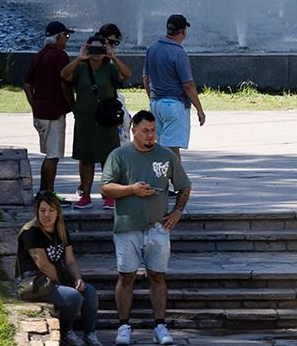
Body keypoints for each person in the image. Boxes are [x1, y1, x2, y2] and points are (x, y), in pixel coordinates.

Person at [100, 110, 191, 346]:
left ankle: (160, 325)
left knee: (157, 276)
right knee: (126, 276)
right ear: (134, 131)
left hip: (158, 227)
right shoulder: (119, 155)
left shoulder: (166, 155)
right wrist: (131, 190)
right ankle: (123, 325)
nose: (150, 136)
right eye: (145, 131)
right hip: (127, 227)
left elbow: (184, 186)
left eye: (153, 131)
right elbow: (105, 188)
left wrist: (177, 212)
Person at [15, 191, 102, 346]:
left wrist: (77, 278)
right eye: (42, 210)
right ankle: (66, 332)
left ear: (58, 213)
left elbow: (70, 260)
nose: (46, 215)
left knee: (89, 291)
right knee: (73, 296)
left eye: (51, 210)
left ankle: (90, 333)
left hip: (55, 279)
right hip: (34, 282)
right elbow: (43, 265)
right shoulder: (31, 232)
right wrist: (67, 284)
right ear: (37, 212)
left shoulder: (61, 231)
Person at [61, 34, 132, 209]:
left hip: (106, 120)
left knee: (108, 159)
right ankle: (85, 196)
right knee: (86, 159)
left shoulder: (109, 69)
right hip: (85, 120)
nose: (96, 53)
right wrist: (79, 58)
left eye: (100, 49)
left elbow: (127, 74)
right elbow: (64, 75)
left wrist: (113, 56)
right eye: (93, 49)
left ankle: (109, 195)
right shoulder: (81, 68)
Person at [143, 14, 205, 164]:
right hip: (174, 105)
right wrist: (199, 109)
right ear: (183, 31)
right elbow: (188, 84)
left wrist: (152, 98)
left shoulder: (152, 49)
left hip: (156, 103)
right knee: (172, 149)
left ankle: (163, 180)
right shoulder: (179, 53)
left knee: (160, 147)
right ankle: (177, 182)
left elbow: (146, 77)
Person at [24, 21, 74, 195]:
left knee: (48, 156)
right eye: (65, 36)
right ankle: (49, 195)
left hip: (40, 113)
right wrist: (73, 106)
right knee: (53, 156)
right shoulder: (60, 56)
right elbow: (66, 85)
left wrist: (35, 105)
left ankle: (43, 192)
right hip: (54, 113)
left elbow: (27, 85)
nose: (67, 39)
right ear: (58, 37)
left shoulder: (38, 55)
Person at [98, 24, 133, 144]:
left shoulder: (111, 59)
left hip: (113, 101)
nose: (113, 46)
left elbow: (126, 74)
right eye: (111, 42)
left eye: (116, 43)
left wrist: (113, 57)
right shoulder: (91, 58)